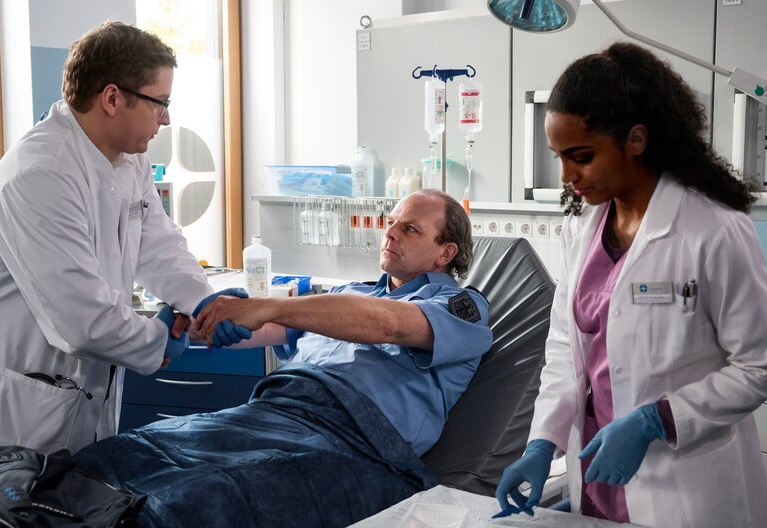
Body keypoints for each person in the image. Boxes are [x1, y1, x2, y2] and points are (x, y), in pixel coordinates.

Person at [73, 190, 493, 527]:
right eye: (392, 221)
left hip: (355, 442)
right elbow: (266, 328)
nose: (390, 233)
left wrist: (268, 305)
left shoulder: (461, 306)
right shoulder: (352, 292)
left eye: (410, 229)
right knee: (118, 457)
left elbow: (389, 325)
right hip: (273, 411)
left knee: (191, 501)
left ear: (445, 253)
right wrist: (203, 318)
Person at [494, 42, 767, 527]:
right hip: (595, 472)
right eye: (559, 157)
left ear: (635, 140)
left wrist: (656, 420)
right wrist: (541, 443)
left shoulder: (714, 230)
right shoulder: (581, 227)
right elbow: (565, 349)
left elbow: (758, 366)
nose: (567, 175)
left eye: (582, 156)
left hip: (685, 488)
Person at [0, 22, 216, 457]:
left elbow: (157, 243)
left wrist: (206, 302)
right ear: (112, 99)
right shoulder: (40, 175)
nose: (166, 118)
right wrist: (158, 338)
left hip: (84, 401)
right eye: (160, 103)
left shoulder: (129, 158)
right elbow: (83, 321)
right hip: (20, 414)